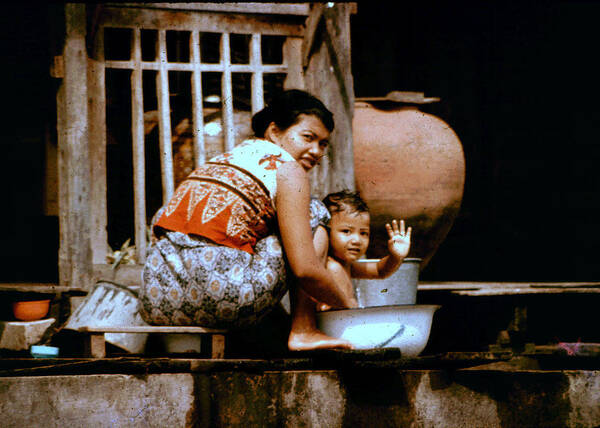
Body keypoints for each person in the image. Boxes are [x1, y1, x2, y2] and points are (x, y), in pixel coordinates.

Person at [139, 89, 356, 350]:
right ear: (274, 132)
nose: (316, 150)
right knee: (315, 212)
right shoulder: (288, 169)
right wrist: (349, 305)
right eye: (308, 137)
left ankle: (277, 329)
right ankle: (304, 329)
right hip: (221, 300)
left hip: (157, 303)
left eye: (323, 143)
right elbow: (306, 270)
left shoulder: (224, 160)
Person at [317, 190, 412, 312]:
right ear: (326, 232)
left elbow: (379, 270)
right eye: (346, 231)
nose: (357, 240)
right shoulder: (330, 267)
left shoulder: (345, 265)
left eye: (363, 233)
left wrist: (395, 256)